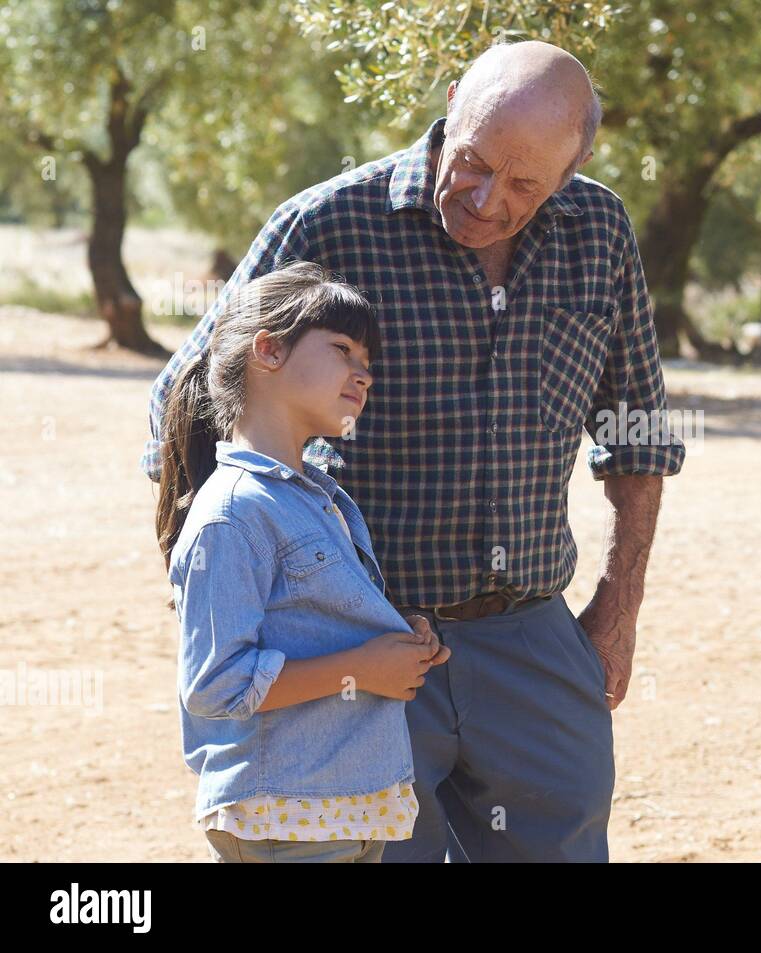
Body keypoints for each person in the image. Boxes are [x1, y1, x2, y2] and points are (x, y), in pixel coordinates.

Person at [143, 40, 684, 862]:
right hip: (365, 649)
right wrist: (219, 578)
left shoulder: (600, 231)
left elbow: (638, 429)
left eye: (524, 184)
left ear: (571, 172)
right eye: (473, 162)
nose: (485, 197)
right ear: (454, 97)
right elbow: (185, 399)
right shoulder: (328, 221)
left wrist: (619, 606)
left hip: (536, 644)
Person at [157, 261, 448, 863]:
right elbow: (216, 684)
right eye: (343, 348)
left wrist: (395, 640)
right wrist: (362, 669)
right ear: (267, 351)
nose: (363, 374)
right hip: (286, 817)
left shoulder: (314, 495)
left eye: (367, 361)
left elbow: (315, 623)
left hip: (341, 808)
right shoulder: (233, 513)